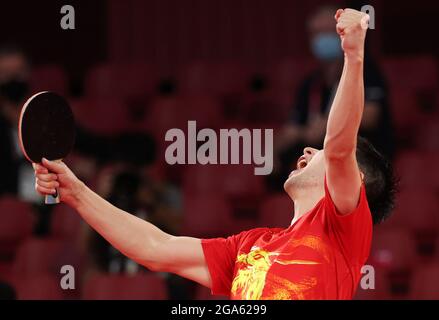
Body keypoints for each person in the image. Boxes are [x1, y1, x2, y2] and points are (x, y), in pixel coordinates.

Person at [33, 8, 396, 300]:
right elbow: (155, 247)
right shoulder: (248, 246)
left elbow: (338, 147)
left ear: (356, 180)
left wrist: (353, 55)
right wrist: (76, 192)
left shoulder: (342, 231)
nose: (307, 149)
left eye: (318, 150)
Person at [271, 5, 395, 192]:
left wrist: (328, 124)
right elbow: (292, 128)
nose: (321, 39)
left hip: (361, 163)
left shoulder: (365, 70)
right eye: (316, 34)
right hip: (324, 166)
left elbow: (370, 115)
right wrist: (272, 150)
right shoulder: (310, 83)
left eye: (327, 32)